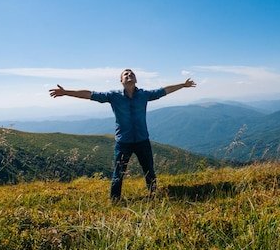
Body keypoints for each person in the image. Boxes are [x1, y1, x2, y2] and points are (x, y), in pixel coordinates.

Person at [49, 69, 196, 201]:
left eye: (132, 74)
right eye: (125, 74)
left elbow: (163, 90)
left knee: (149, 170)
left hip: (142, 140)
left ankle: (153, 196)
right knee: (118, 173)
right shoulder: (113, 96)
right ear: (121, 81)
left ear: (136, 80)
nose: (129, 75)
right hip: (123, 142)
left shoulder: (144, 95)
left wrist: (182, 85)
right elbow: (90, 94)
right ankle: (115, 200)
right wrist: (66, 92)